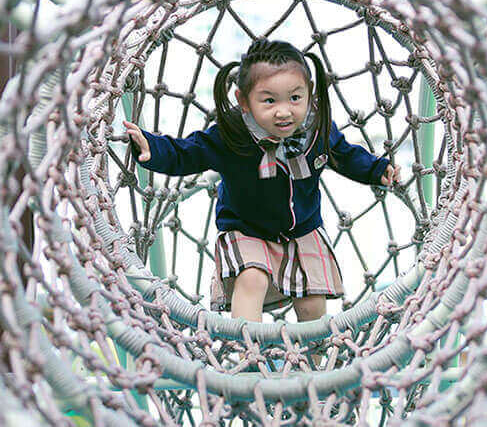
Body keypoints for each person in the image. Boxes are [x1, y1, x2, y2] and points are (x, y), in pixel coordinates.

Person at [124, 39, 401, 329]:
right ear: (243, 101)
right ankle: (248, 353)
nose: (284, 112)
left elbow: (345, 155)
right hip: (246, 230)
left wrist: (377, 170)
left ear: (309, 94)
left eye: (295, 98)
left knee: (312, 301)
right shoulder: (231, 135)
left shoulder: (317, 128)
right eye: (269, 101)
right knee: (252, 278)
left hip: (302, 230)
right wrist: (152, 149)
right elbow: (187, 152)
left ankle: (316, 362)